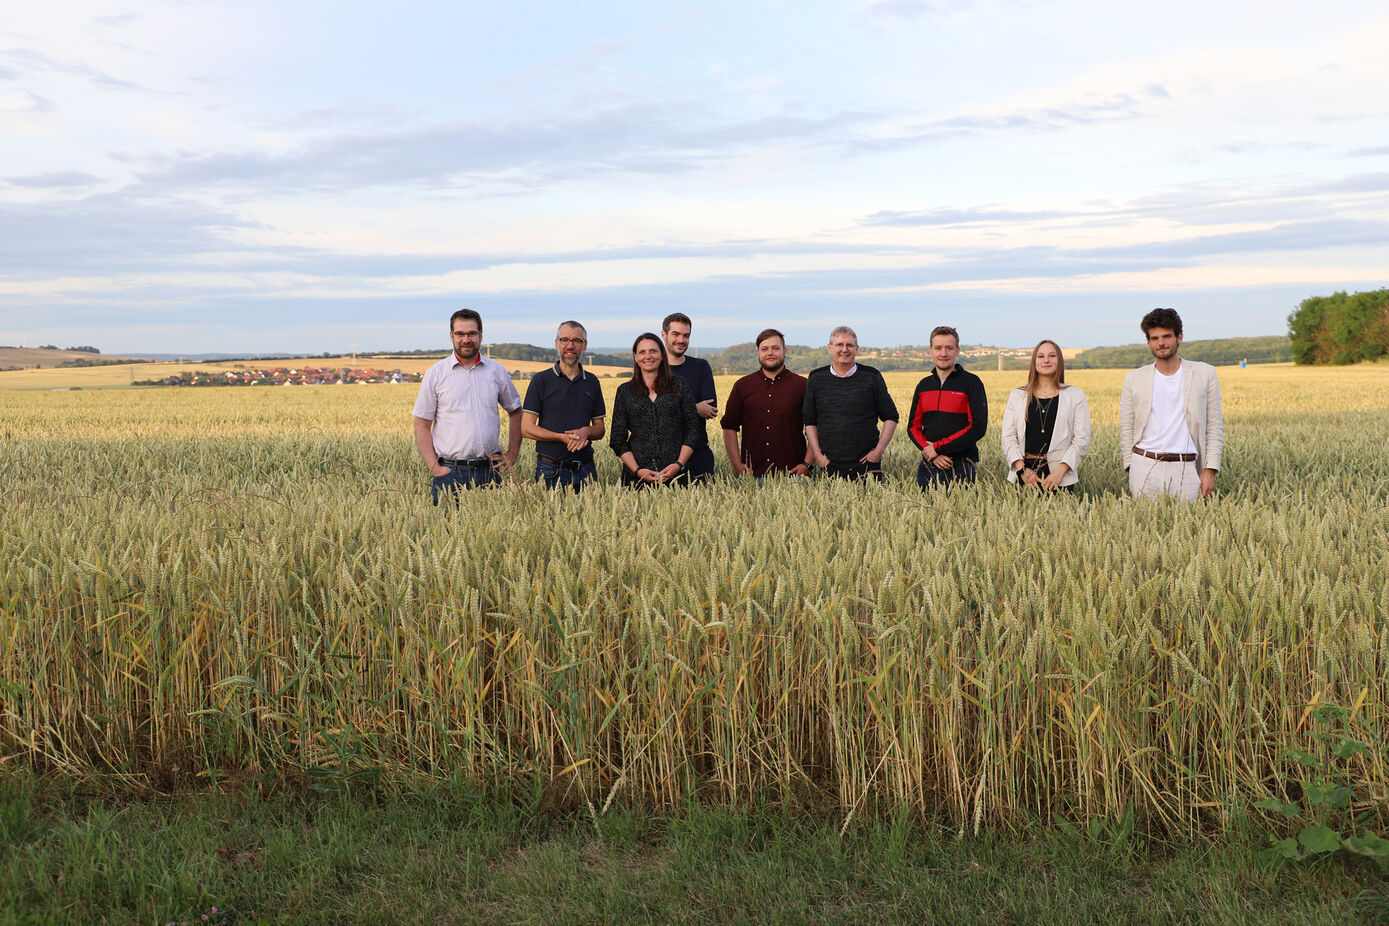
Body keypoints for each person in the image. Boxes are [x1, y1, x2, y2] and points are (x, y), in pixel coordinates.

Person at [412, 308, 522, 502]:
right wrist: (434, 468)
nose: (466, 339)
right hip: (449, 472)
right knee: (445, 530)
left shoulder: (496, 371)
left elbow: (516, 412)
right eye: (460, 334)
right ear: (451, 336)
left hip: (488, 471)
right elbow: (421, 424)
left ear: (480, 335)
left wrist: (512, 454)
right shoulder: (435, 374)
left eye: (472, 333)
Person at [1119, 308, 1224, 500]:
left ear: (1179, 337)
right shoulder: (1134, 378)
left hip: (1187, 467)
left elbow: (1214, 425)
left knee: (1191, 529)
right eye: (1155, 338)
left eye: (1167, 336)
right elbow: (1127, 426)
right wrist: (1131, 466)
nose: (1161, 343)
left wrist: (1210, 469)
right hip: (1143, 465)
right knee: (1144, 528)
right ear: (1148, 342)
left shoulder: (1205, 374)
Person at [802, 326, 898, 480]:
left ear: (857, 349)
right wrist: (819, 456)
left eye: (849, 345)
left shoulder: (872, 376)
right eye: (839, 345)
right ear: (830, 348)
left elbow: (891, 416)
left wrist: (878, 451)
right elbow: (810, 421)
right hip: (829, 464)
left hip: (867, 464)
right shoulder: (816, 378)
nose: (844, 349)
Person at [520, 320, 606, 491]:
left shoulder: (592, 382)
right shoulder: (541, 380)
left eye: (577, 341)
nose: (570, 346)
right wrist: (561, 437)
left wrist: (586, 432)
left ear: (585, 346)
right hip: (550, 469)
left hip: (586, 470)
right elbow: (526, 428)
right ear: (556, 343)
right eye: (564, 340)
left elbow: (600, 430)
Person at [610, 332, 701, 488]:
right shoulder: (624, 391)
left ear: (662, 355)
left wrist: (679, 464)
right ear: (635, 357)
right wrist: (638, 470)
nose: (648, 356)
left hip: (677, 477)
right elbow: (617, 439)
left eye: (653, 351)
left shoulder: (679, 385)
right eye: (642, 352)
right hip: (636, 480)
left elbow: (693, 429)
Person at [720, 328, 812, 478]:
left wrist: (807, 464)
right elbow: (729, 427)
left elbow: (814, 427)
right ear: (758, 352)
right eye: (765, 349)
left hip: (794, 475)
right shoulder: (742, 386)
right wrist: (737, 464)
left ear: (785, 351)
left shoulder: (803, 385)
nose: (770, 353)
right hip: (752, 475)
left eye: (776, 348)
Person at [1000, 340, 1090, 492]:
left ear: (1059, 361)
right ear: (1034, 362)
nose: (1046, 360)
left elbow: (1081, 439)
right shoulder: (1017, 396)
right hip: (1025, 477)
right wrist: (1021, 470)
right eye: (1041, 356)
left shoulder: (1075, 395)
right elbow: (1008, 437)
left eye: (1052, 356)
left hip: (1060, 478)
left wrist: (1061, 470)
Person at [906, 326, 988, 488]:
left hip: (961, 465)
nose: (943, 353)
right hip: (929, 464)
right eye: (938, 348)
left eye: (949, 348)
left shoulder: (972, 383)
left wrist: (937, 448)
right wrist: (931, 453)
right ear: (930, 351)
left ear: (957, 351)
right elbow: (913, 427)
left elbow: (977, 427)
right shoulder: (923, 386)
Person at [662, 313, 718, 481]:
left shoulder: (701, 366)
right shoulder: (651, 369)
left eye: (686, 335)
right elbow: (648, 413)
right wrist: (694, 408)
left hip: (698, 456)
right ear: (664, 335)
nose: (681, 340)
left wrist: (668, 407)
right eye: (676, 334)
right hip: (661, 458)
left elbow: (710, 410)